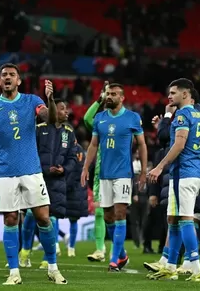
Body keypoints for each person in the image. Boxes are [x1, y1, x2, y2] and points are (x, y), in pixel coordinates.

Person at [0, 63, 66, 285]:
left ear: (19, 81)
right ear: (0, 81)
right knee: (10, 219)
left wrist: (50, 100)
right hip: (6, 173)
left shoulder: (31, 101)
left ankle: (53, 268)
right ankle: (14, 272)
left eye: (12, 75)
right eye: (4, 75)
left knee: (43, 218)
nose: (7, 77)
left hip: (32, 171)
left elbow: (51, 119)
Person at [145, 78, 200, 282]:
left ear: (185, 94)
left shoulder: (182, 115)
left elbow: (179, 145)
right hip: (192, 172)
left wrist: (159, 166)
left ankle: (196, 269)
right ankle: (170, 266)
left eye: (173, 93)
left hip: (184, 174)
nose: (169, 96)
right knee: (173, 218)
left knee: (185, 219)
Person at [81, 83, 148, 272]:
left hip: (123, 175)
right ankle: (122, 255)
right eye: (107, 93)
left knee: (119, 214)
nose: (109, 96)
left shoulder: (132, 118)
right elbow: (93, 145)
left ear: (122, 98)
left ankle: (113, 260)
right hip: (104, 174)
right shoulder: (99, 118)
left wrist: (143, 171)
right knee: (108, 216)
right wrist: (86, 167)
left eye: (113, 94)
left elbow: (142, 145)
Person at [22, 99, 77, 267]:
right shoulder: (38, 130)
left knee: (51, 218)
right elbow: (29, 152)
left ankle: (48, 257)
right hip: (38, 179)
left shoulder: (69, 132)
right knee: (31, 217)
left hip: (57, 183)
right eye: (62, 109)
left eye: (66, 109)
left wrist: (64, 169)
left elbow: (72, 157)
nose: (66, 112)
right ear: (53, 111)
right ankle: (24, 252)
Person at [82, 81, 109, 262]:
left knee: (116, 214)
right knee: (99, 212)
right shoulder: (101, 123)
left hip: (120, 172)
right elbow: (86, 119)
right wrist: (99, 99)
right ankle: (100, 248)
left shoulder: (128, 120)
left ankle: (120, 252)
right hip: (101, 172)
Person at [66, 141, 89, 257]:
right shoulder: (80, 149)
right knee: (73, 219)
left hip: (68, 187)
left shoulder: (68, 147)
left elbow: (72, 170)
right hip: (79, 187)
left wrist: (65, 185)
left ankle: (55, 246)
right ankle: (71, 247)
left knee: (53, 216)